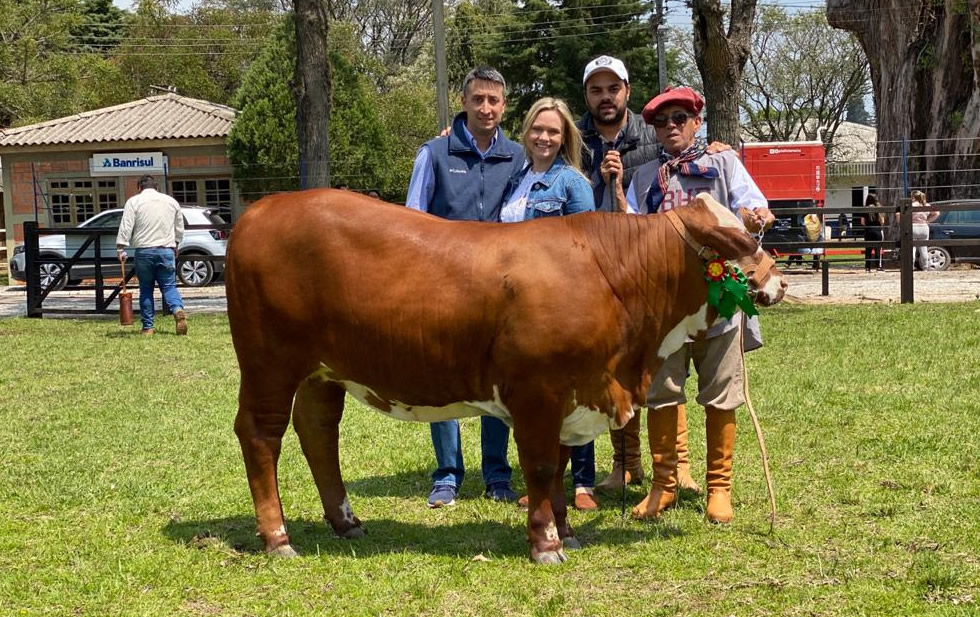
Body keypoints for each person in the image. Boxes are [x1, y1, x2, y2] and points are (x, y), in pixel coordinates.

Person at [616, 85, 774, 523]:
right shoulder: (645, 178)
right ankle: (664, 484)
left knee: (721, 393)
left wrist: (754, 216)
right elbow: (631, 234)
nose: (671, 127)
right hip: (664, 308)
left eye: (680, 118)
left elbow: (754, 205)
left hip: (719, 299)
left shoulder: (723, 163)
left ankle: (719, 488)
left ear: (696, 122)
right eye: (662, 122)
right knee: (661, 392)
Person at [577, 55, 705, 497]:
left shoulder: (651, 137)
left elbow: (688, 151)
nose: (605, 97)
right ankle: (625, 464)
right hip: (597, 272)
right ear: (587, 96)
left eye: (613, 88)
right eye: (596, 89)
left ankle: (678, 465)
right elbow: (534, 151)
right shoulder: (577, 139)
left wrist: (718, 145)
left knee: (668, 365)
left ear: (627, 92)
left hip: (654, 276)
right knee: (617, 367)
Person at [405, 66, 525, 508]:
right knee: (446, 381)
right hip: (444, 288)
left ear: (504, 105)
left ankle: (497, 475)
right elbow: (413, 220)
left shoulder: (517, 155)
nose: (486, 108)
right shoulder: (434, 153)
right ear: (464, 101)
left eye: (494, 100)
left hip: (498, 290)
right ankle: (447, 476)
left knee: (499, 383)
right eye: (478, 100)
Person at [500, 96, 597, 510]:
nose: (544, 137)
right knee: (536, 399)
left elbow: (586, 248)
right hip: (515, 309)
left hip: (558, 306)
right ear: (527, 132)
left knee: (571, 398)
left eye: (553, 131)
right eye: (538, 129)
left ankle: (582, 484)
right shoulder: (514, 179)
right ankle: (540, 482)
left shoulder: (573, 182)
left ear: (565, 137)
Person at [115, 175, 188, 337]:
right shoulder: (171, 202)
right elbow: (179, 227)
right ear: (157, 187)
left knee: (146, 289)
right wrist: (176, 243)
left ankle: (148, 327)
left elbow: (126, 225)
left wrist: (121, 247)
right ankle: (177, 309)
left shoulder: (134, 202)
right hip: (166, 250)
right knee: (169, 286)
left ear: (139, 188)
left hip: (144, 251)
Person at [910, 190, 940, 270]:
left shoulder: (912, 205)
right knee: (923, 248)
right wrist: (928, 221)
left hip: (913, 226)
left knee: (912, 248)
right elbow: (937, 213)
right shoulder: (926, 205)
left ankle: (911, 266)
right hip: (924, 227)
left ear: (913, 197)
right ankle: (925, 267)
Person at [861, 194, 885, 272]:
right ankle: (878, 266)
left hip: (868, 231)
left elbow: (862, 222)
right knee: (878, 249)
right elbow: (882, 221)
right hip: (877, 230)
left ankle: (867, 267)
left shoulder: (865, 209)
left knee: (868, 249)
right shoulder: (878, 209)